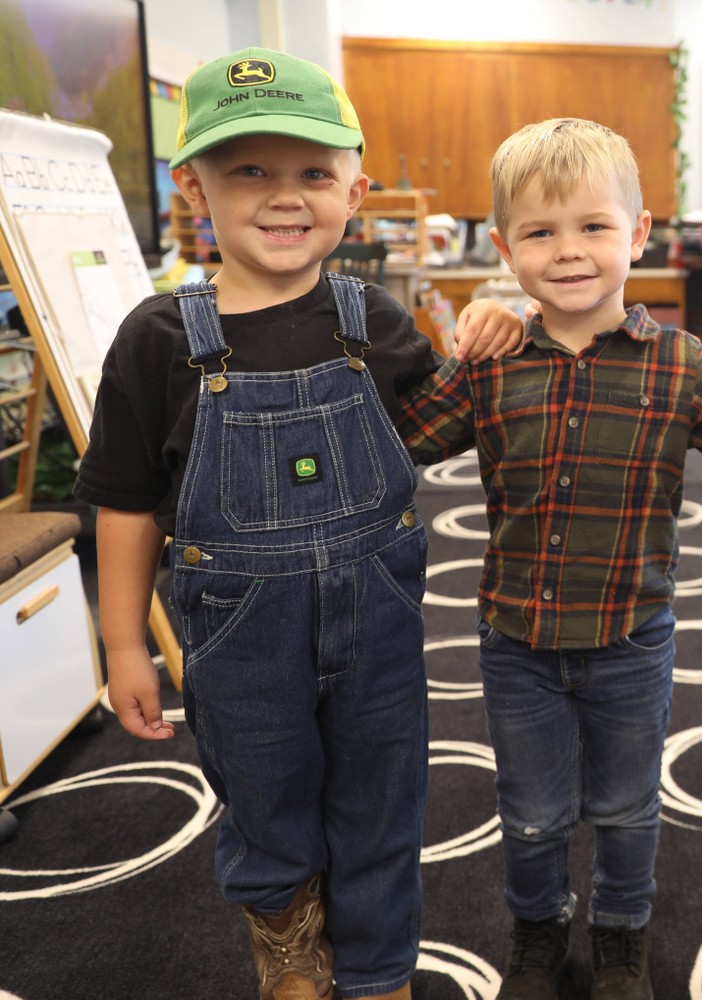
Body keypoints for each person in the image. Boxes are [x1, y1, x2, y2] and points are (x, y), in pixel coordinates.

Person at [72, 47, 515, 1000]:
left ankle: (383, 971)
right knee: (266, 802)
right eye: (249, 172)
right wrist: (122, 643)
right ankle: (289, 946)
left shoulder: (375, 319)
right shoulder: (158, 339)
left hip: (381, 632)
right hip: (237, 638)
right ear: (195, 188)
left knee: (382, 803)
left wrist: (492, 336)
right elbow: (121, 498)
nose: (284, 197)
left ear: (355, 190)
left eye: (313, 172)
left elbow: (446, 426)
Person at [395, 117, 702, 1000]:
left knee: (630, 809)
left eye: (594, 227)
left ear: (638, 235)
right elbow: (402, 439)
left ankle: (623, 935)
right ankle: (536, 932)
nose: (568, 251)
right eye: (539, 233)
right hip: (516, 638)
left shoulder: (681, 366)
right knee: (531, 813)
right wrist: (478, 317)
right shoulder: (493, 362)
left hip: (633, 634)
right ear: (507, 249)